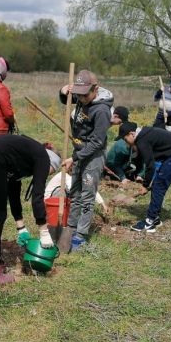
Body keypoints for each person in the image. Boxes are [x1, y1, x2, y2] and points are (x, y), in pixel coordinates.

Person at [0, 135, 60, 284]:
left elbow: (14, 194)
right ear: (51, 162)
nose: (46, 173)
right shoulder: (42, 157)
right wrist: (44, 232)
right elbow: (37, 197)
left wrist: (21, 227)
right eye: (50, 171)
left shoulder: (22, 158)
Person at [59, 70, 113, 251]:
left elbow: (97, 142)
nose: (80, 99)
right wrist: (63, 90)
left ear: (95, 89)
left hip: (93, 156)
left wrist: (73, 157)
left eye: (84, 95)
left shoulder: (102, 110)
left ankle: (80, 235)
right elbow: (65, 100)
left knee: (87, 196)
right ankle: (71, 228)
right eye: (78, 95)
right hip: (79, 152)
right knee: (74, 192)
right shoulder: (83, 97)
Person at [118, 122, 171, 232]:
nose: (126, 143)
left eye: (125, 139)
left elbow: (150, 166)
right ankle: (154, 218)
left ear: (131, 134)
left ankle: (149, 223)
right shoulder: (144, 134)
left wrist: (145, 185)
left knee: (159, 187)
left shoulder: (142, 140)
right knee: (157, 185)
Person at [105, 106, 144, 181]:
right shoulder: (122, 147)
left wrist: (141, 175)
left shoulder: (142, 143)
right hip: (114, 165)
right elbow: (114, 164)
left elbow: (146, 161)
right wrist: (123, 177)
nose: (124, 141)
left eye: (125, 139)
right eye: (124, 139)